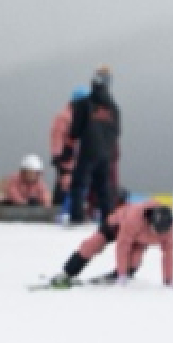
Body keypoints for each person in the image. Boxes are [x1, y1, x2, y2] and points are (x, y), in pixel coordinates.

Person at [49, 194, 173, 288]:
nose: (159, 234)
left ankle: (121, 274)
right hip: (117, 225)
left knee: (134, 261)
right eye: (156, 230)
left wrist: (168, 280)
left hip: (140, 239)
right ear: (151, 222)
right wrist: (122, 275)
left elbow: (169, 255)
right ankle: (68, 272)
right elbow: (122, 247)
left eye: (162, 232)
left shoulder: (168, 230)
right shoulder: (134, 219)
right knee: (93, 244)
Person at [68, 66, 121, 225]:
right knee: (104, 187)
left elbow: (75, 130)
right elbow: (117, 131)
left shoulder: (84, 104)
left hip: (88, 151)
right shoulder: (114, 108)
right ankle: (109, 219)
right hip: (107, 153)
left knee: (79, 184)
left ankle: (77, 217)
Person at [50, 87, 88, 207]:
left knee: (78, 182)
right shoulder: (65, 116)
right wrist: (58, 155)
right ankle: (58, 207)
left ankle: (75, 207)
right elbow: (56, 135)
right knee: (65, 182)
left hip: (78, 156)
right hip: (66, 155)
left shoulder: (82, 115)